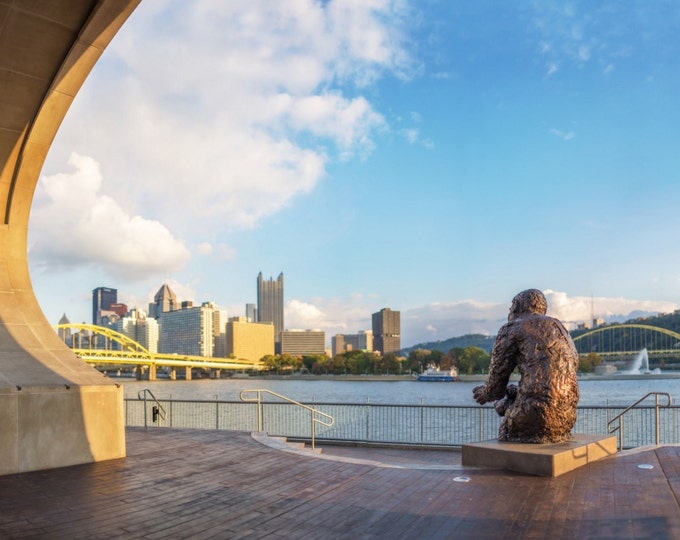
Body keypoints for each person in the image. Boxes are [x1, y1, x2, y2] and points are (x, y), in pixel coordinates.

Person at [472, 289, 579, 443]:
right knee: (510, 400)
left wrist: (484, 393)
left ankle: (507, 465)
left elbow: (495, 387)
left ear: (517, 306)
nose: (509, 311)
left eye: (511, 307)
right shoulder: (560, 328)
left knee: (506, 419)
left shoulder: (512, 328)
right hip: (567, 418)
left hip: (534, 418)